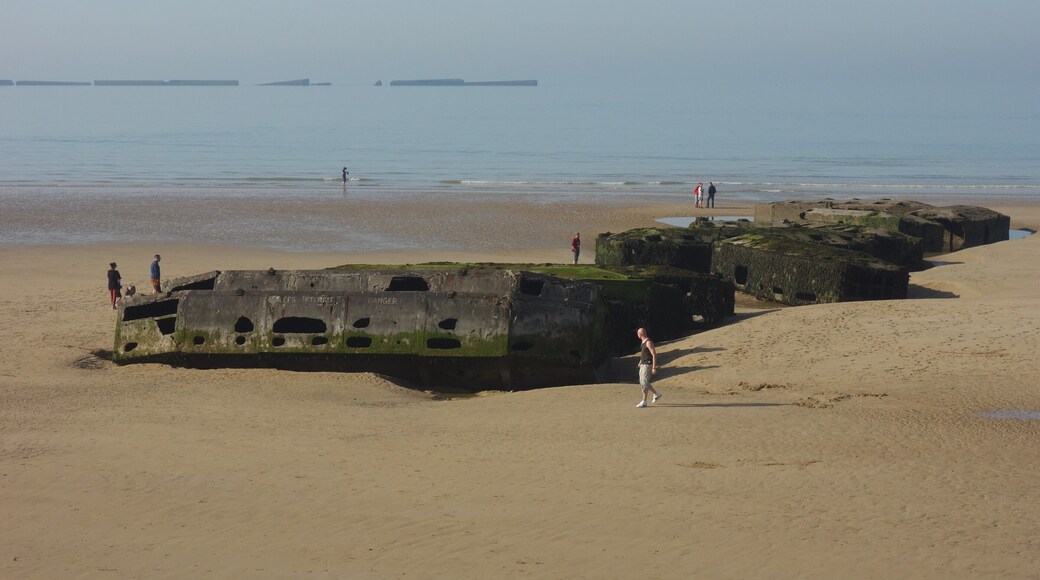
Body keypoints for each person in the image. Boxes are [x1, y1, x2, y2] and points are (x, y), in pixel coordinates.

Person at [635, 327, 662, 408]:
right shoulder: (643, 342)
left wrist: (654, 367)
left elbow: (654, 354)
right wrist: (640, 362)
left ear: (641, 334)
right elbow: (644, 354)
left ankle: (656, 394)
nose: (637, 335)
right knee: (642, 383)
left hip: (648, 365)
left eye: (638, 333)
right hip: (643, 364)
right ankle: (644, 401)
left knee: (644, 382)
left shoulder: (648, 342)